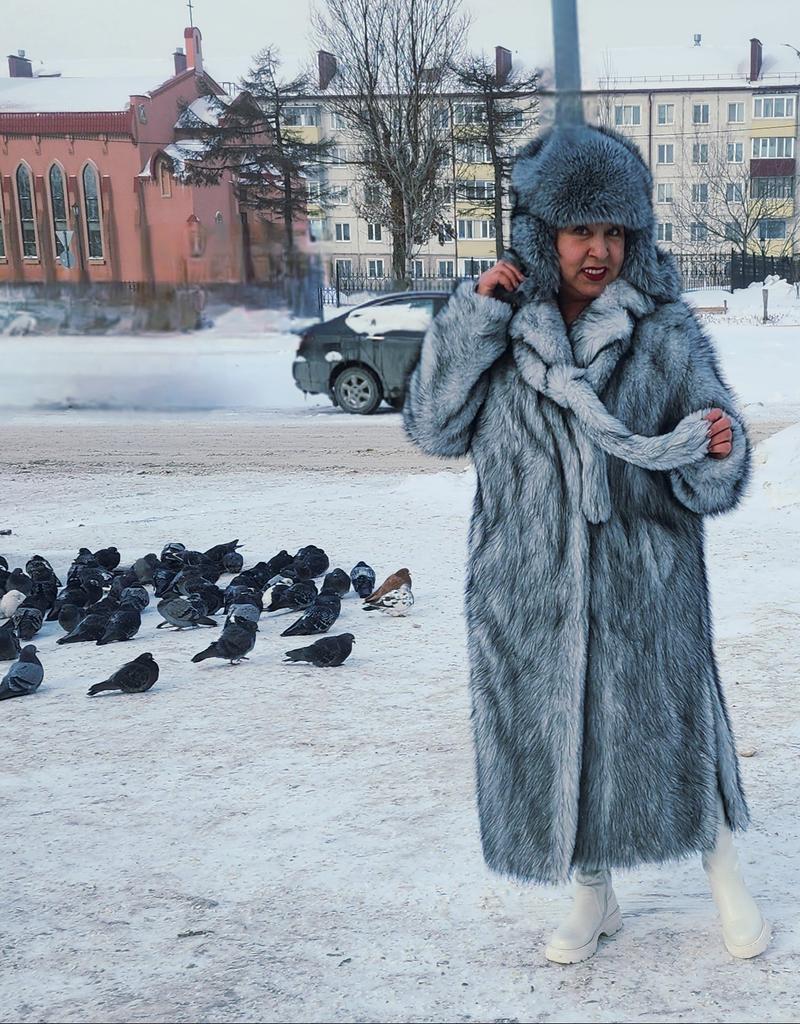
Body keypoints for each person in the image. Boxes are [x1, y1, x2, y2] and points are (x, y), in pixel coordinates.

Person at [402, 123, 770, 964]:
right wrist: (473, 319)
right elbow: (433, 427)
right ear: (544, 235)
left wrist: (717, 449)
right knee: (561, 740)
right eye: (580, 231)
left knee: (676, 725)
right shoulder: (500, 331)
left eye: (614, 231)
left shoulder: (662, 332)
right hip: (527, 583)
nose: (599, 251)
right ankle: (592, 893)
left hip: (647, 578)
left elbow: (716, 454)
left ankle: (724, 873)